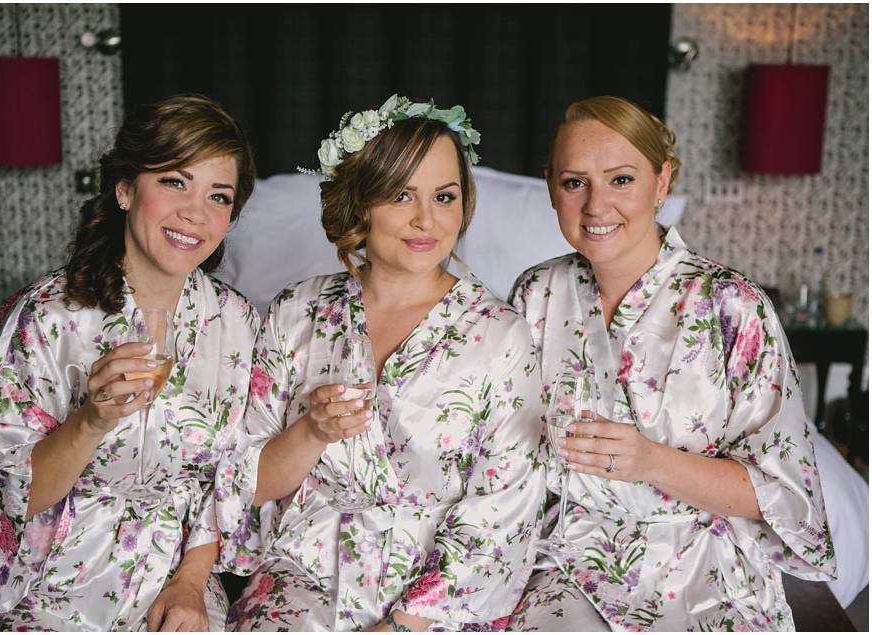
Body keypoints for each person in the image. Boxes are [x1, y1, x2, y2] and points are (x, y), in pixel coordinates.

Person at [215, 94, 547, 631]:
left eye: (444, 196)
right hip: (303, 573)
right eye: (400, 195)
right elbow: (247, 480)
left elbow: (503, 510)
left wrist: (404, 623)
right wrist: (312, 431)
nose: (426, 220)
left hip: (438, 597)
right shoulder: (298, 311)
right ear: (358, 203)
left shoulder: (500, 335)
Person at [0, 94, 260, 631]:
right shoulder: (44, 317)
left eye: (218, 196)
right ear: (126, 189)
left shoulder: (238, 325)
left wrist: (191, 584)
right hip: (36, 580)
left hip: (168, 577)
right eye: (175, 182)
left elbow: (230, 478)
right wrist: (91, 420)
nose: (196, 213)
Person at [506, 95, 836, 631]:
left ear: (662, 181)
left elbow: (781, 493)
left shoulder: (732, 305)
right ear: (550, 187)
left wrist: (651, 461)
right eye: (574, 183)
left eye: (621, 180)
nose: (595, 206)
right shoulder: (536, 293)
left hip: (702, 563)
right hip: (565, 557)